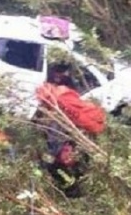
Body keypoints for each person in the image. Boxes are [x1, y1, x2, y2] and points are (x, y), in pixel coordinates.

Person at [35, 62, 105, 198]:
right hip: (68, 139)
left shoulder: (59, 95)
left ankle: (72, 189)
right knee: (55, 163)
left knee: (53, 163)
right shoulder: (64, 94)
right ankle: (73, 187)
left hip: (65, 142)